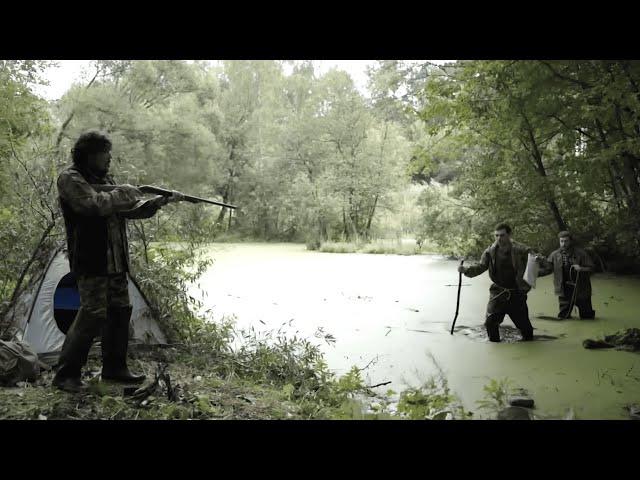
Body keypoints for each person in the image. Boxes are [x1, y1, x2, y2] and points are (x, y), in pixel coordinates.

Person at [52, 130, 181, 393]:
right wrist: (127, 193)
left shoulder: (106, 180)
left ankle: (115, 369)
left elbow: (130, 211)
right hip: (91, 260)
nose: (109, 158)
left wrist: (157, 203)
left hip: (116, 260)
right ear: (89, 155)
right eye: (104, 153)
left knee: (120, 311)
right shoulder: (70, 178)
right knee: (92, 314)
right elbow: (93, 205)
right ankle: (66, 375)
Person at [458, 223, 545, 342]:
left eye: (502, 235)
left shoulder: (522, 250)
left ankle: (529, 344)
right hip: (498, 292)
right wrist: (466, 270)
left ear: (509, 235)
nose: (499, 238)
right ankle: (494, 345)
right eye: (496, 235)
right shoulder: (490, 251)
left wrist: (540, 261)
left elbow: (541, 267)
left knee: (525, 327)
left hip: (517, 292)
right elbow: (481, 266)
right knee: (490, 323)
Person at [538, 231, 595, 319]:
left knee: (587, 316)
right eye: (561, 241)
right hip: (564, 290)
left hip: (581, 289)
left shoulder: (581, 253)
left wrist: (581, 268)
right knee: (563, 316)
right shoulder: (554, 255)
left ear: (570, 241)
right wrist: (535, 273)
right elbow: (547, 269)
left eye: (566, 241)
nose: (563, 244)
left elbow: (592, 268)